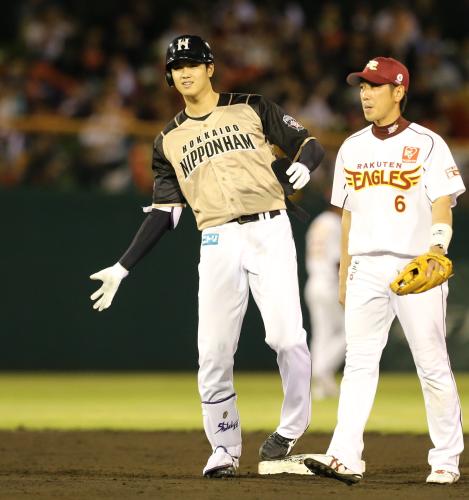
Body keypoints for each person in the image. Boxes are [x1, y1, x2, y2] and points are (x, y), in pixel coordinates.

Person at [89, 35, 325, 478]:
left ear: (210, 68)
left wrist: (306, 165)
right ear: (169, 75)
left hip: (270, 228)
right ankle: (223, 448)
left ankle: (290, 429)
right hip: (216, 239)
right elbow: (166, 212)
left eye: (194, 63)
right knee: (213, 352)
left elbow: (309, 143)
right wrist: (124, 266)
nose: (186, 71)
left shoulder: (253, 106)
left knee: (288, 339)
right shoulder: (168, 141)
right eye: (178, 65)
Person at [304, 57, 465, 485]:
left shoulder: (428, 143)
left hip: (415, 264)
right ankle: (344, 456)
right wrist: (343, 273)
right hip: (365, 266)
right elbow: (347, 216)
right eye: (362, 86)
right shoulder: (352, 147)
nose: (365, 93)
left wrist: (436, 249)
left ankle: (446, 458)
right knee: (358, 362)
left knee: (432, 363)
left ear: (398, 91)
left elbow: (443, 201)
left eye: (375, 86)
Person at [305, 204, 345, 399]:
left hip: (313, 282)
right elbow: (338, 259)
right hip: (330, 283)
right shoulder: (336, 223)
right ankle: (322, 369)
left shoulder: (318, 221)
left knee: (322, 335)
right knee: (350, 332)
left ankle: (321, 385)